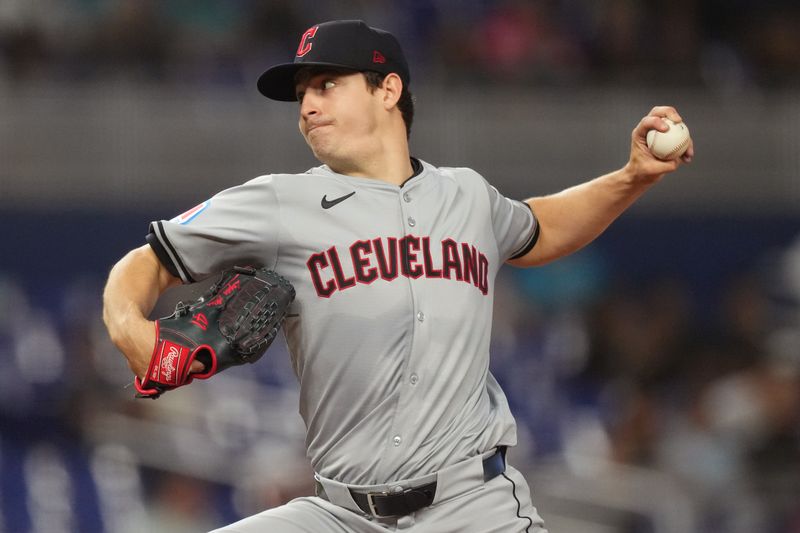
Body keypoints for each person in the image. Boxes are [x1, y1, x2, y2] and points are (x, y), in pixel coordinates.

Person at [102, 19, 694, 533]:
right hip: (341, 513)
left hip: (473, 506)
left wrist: (632, 177)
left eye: (326, 85)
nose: (307, 105)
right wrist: (136, 332)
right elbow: (145, 262)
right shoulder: (279, 203)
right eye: (302, 93)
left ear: (388, 89)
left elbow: (539, 228)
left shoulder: (466, 195)